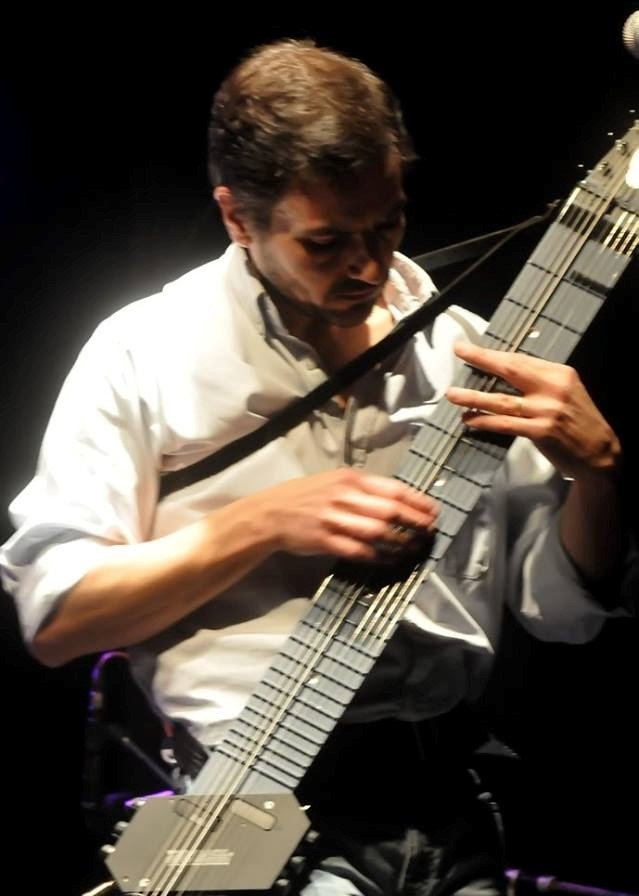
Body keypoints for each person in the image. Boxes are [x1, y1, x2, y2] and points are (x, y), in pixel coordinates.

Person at [0, 39, 625, 896]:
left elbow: (561, 614)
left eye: (386, 225)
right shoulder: (144, 352)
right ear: (236, 218)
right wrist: (259, 525)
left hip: (449, 805)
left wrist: (601, 474)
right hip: (244, 808)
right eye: (324, 242)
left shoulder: (465, 350)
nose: (366, 267)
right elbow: (56, 622)